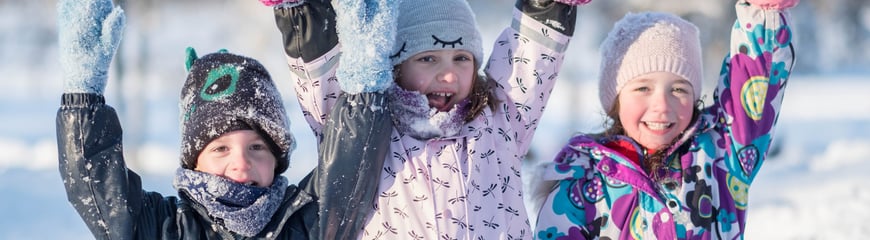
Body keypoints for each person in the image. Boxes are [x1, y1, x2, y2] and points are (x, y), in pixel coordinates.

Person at [56, 0, 390, 238]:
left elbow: (351, 163)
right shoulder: (162, 228)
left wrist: (363, 84)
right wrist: (83, 93)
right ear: (193, 159)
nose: (241, 165)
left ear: (278, 158)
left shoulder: (305, 221)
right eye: (220, 149)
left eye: (257, 146)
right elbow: (94, 182)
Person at [261, 0, 588, 238]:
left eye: (461, 58)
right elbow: (324, 81)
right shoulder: (366, 131)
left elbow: (531, 59)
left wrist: (552, 6)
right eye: (428, 58)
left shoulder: (499, 120)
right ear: (396, 67)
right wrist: (299, 12)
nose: (448, 74)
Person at [530, 0, 797, 239]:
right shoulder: (582, 180)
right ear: (616, 99)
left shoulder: (721, 154)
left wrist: (765, 15)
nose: (661, 105)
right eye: (643, 88)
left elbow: (755, 87)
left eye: (679, 89)